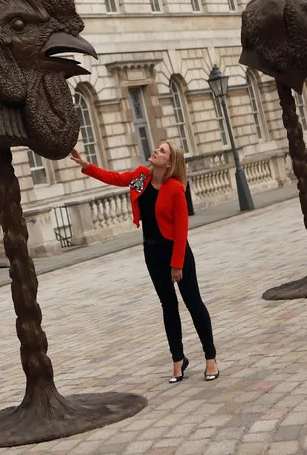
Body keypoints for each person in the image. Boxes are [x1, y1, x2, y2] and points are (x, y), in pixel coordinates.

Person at [70, 140, 218, 384]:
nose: (155, 151)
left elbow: (182, 230)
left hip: (176, 251)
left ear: (169, 163)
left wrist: (177, 263)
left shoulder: (174, 189)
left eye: (161, 151)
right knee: (168, 306)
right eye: (157, 148)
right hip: (152, 252)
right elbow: (115, 178)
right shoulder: (142, 178)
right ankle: (177, 360)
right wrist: (87, 166)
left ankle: (210, 357)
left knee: (193, 303)